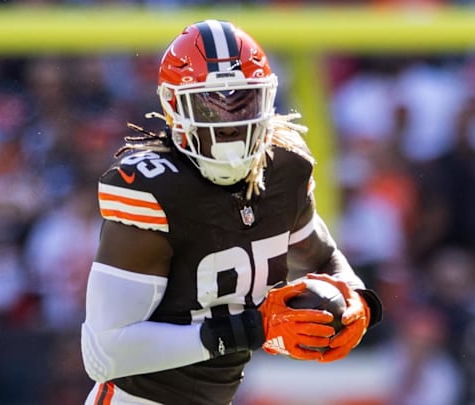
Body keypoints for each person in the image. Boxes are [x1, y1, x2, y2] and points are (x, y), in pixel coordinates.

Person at [80, 19, 383, 405]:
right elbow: (105, 354)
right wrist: (254, 328)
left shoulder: (283, 168)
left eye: (243, 101)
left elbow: (322, 258)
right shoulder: (153, 190)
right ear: (175, 107)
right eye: (211, 106)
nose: (231, 124)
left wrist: (357, 300)